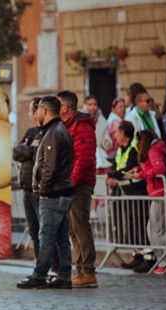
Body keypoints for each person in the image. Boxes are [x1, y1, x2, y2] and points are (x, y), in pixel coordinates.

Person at [16, 96, 75, 289]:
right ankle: (65, 274)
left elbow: (49, 166)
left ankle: (40, 275)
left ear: (45, 111)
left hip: (54, 193)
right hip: (63, 191)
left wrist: (43, 190)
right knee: (60, 236)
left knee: (47, 236)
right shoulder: (60, 130)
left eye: (38, 109)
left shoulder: (52, 133)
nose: (35, 114)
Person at [57, 90, 98, 288]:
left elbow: (84, 159)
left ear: (64, 108)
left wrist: (70, 183)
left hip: (79, 185)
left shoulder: (81, 127)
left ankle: (87, 270)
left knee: (80, 225)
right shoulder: (67, 126)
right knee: (73, 228)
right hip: (70, 183)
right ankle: (80, 268)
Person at [128, 130, 166, 274]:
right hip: (157, 193)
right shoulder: (154, 150)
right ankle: (164, 261)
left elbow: (159, 168)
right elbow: (153, 167)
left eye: (137, 142)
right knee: (153, 229)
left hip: (160, 193)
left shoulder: (152, 151)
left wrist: (141, 174)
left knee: (156, 230)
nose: (136, 145)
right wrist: (138, 170)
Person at [106, 121, 148, 269]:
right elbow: (115, 168)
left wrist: (114, 174)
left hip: (137, 191)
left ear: (123, 133)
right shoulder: (120, 149)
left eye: (117, 132)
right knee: (132, 225)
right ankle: (137, 255)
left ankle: (148, 257)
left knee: (141, 224)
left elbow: (127, 169)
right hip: (127, 192)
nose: (115, 134)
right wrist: (112, 174)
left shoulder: (133, 148)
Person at [12, 98, 43, 259]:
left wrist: (27, 150)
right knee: (33, 231)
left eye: (31, 110)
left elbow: (38, 155)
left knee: (42, 230)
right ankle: (40, 264)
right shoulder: (31, 132)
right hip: (25, 186)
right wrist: (29, 149)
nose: (29, 114)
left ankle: (48, 266)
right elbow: (16, 152)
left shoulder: (45, 133)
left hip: (37, 188)